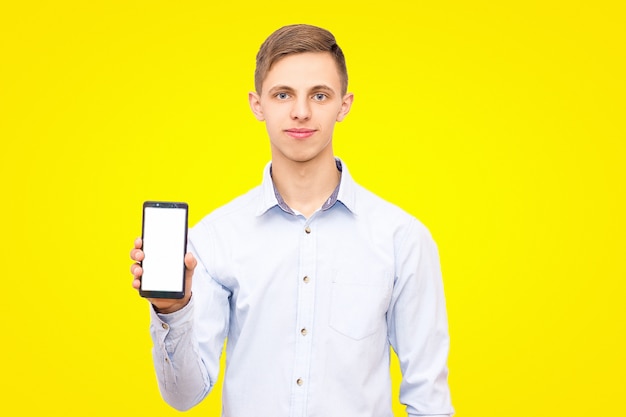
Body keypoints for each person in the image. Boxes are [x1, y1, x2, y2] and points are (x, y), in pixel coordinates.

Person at [130, 24, 454, 417]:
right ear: (257, 104)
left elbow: (429, 399)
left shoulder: (402, 238)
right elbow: (185, 396)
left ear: (344, 105)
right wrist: (172, 309)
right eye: (283, 94)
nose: (301, 111)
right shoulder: (215, 239)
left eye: (319, 95)